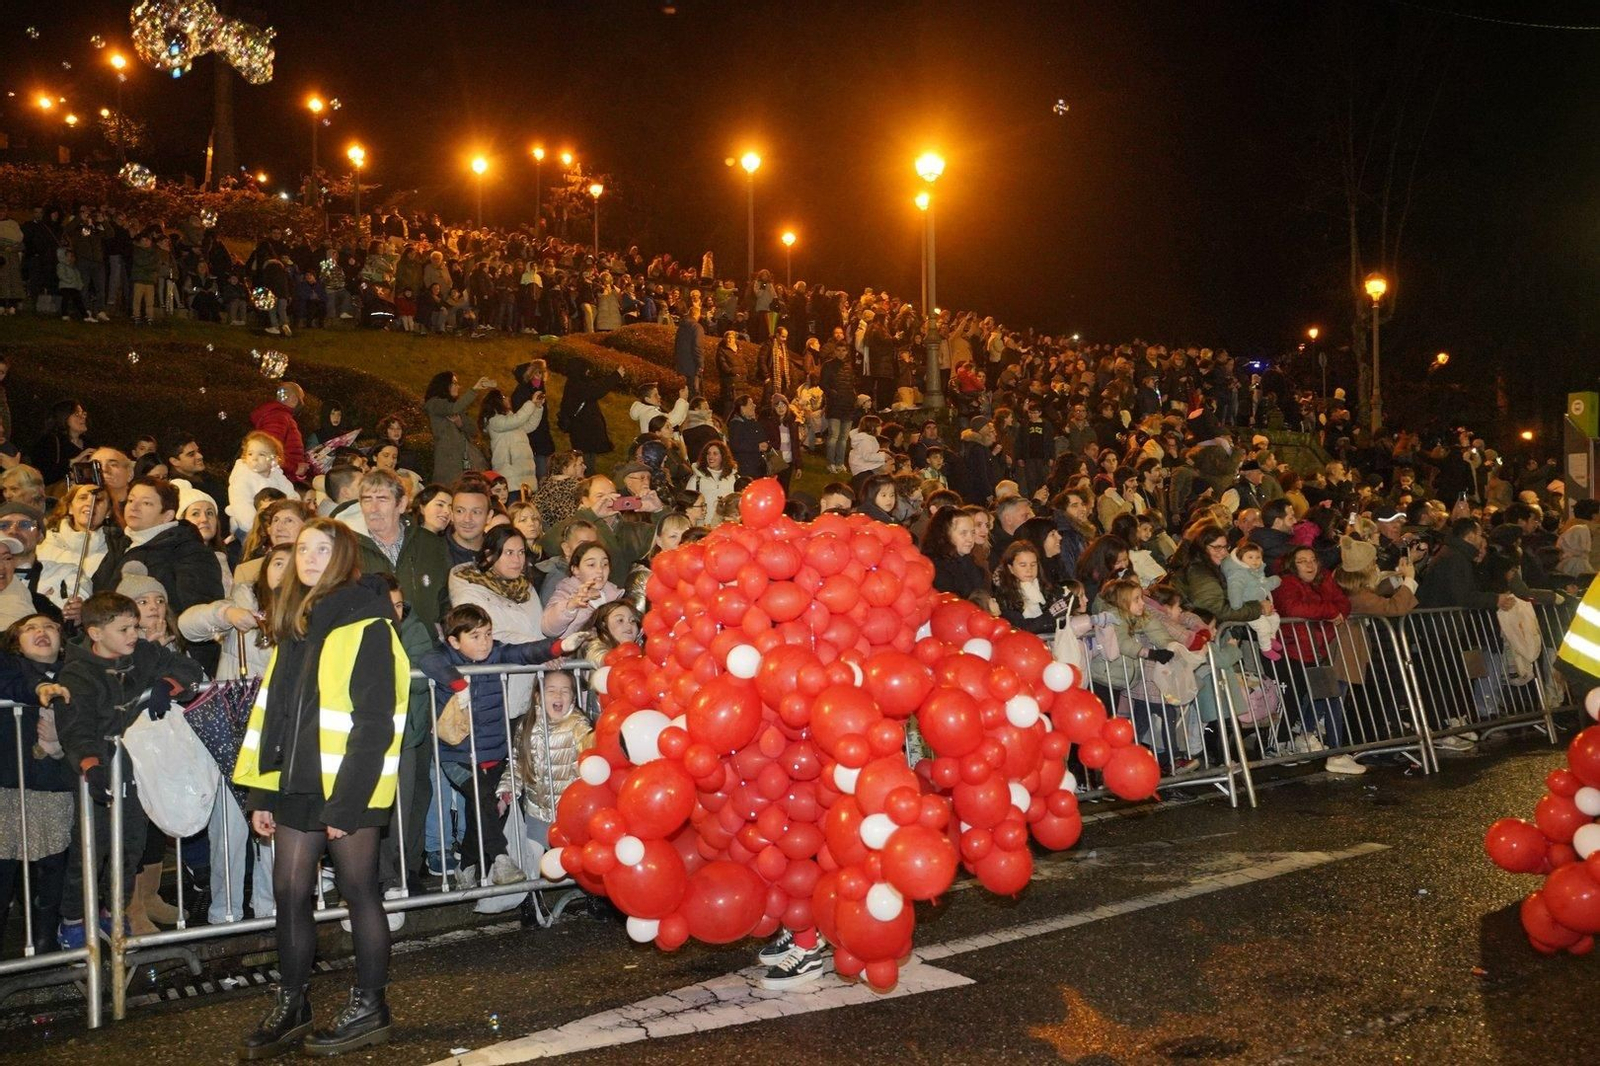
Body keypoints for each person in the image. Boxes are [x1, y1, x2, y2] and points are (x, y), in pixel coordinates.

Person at [233, 520, 409, 1057]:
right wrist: (263, 794)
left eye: (321, 549)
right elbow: (274, 717)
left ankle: (371, 1006)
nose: (308, 557)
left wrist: (349, 801)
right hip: (293, 784)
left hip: (345, 787)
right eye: (302, 548)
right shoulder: (296, 623)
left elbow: (377, 721)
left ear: (343, 557)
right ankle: (293, 1004)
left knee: (359, 892)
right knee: (289, 893)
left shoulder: (368, 621)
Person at [51, 591, 205, 950]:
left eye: (135, 626)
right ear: (95, 633)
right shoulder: (76, 673)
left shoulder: (144, 653)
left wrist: (168, 686)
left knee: (131, 845)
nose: (134, 634)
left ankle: (114, 909)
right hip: (99, 768)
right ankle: (73, 920)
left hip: (136, 765)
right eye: (124, 628)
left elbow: (186, 667)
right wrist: (91, 768)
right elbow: (76, 729)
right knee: (91, 846)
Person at [416, 604, 571, 891]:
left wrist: (560, 646)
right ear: (454, 641)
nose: (485, 642)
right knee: (484, 799)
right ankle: (501, 859)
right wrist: (458, 683)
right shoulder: (443, 655)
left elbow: (524, 652)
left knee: (491, 807)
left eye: (487, 634)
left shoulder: (496, 653)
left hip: (494, 751)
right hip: (456, 756)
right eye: (475, 636)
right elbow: (427, 660)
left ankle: (467, 863)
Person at [1271, 545, 1363, 774]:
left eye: (1313, 559)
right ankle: (1279, 744)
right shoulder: (1288, 583)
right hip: (1294, 650)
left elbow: (1344, 604)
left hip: (1318, 649)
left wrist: (1330, 610)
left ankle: (1316, 744)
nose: (1310, 565)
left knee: (1321, 697)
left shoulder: (1324, 580)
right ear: (1293, 565)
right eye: (1303, 561)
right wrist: (1328, 612)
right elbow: (1293, 607)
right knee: (1293, 699)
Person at [542, 541, 623, 639]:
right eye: (591, 564)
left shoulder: (614, 595)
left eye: (605, 564)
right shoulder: (565, 592)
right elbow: (547, 628)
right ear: (575, 569)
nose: (600, 570)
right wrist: (571, 605)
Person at [424, 372, 493, 482]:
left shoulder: (457, 407)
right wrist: (474, 389)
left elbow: (473, 430)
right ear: (444, 385)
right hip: (449, 462)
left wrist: (460, 423)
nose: (458, 386)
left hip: (467, 459)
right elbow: (453, 409)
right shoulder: (434, 404)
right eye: (454, 383)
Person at [228, 431, 298, 539]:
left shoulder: (277, 476)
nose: (254, 458)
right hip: (249, 529)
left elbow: (291, 496)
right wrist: (260, 528)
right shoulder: (242, 478)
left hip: (276, 525)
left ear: (274, 460)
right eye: (250, 454)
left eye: (261, 454)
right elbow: (242, 507)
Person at [1223, 541, 1282, 658]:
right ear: (1241, 559)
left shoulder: (1257, 574)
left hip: (1260, 607)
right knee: (1263, 627)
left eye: (1258, 557)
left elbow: (1264, 585)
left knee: (1275, 619)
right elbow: (1235, 589)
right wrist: (1237, 605)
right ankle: (1266, 649)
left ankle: (1271, 639)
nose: (1255, 560)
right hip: (1248, 608)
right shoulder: (1238, 574)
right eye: (1250, 557)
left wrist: (1275, 580)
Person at [480, 389, 541, 497]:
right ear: (496, 401)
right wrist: (531, 403)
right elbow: (518, 419)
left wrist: (537, 407)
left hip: (524, 476)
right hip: (511, 478)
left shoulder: (510, 420)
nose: (508, 399)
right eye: (504, 397)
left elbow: (530, 425)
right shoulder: (494, 421)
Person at [923, 506, 987, 598]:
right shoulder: (936, 567)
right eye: (963, 533)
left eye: (972, 533)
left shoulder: (969, 561)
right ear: (946, 535)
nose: (970, 539)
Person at [250, 383, 309, 483]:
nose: (301, 403)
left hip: (281, 477)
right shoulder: (279, 417)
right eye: (301, 398)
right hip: (278, 478)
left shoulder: (281, 416)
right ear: (294, 399)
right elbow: (268, 453)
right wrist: (295, 468)